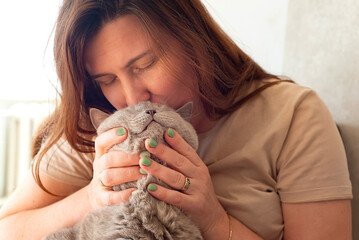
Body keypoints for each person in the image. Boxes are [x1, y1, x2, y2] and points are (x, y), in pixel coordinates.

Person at [0, 0, 352, 239]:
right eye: (106, 80)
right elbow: (10, 228)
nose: (132, 96)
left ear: (192, 39)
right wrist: (92, 198)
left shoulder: (292, 116)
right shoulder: (103, 126)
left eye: (144, 65)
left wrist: (216, 221)